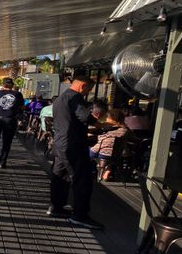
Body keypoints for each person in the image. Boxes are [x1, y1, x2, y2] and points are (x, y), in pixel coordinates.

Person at [47, 75, 105, 230]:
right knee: (82, 179)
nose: (88, 93)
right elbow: (85, 116)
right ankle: (80, 216)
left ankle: (56, 207)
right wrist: (99, 124)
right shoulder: (76, 97)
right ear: (83, 86)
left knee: (60, 176)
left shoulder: (60, 98)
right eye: (89, 89)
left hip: (60, 143)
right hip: (73, 145)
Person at [90, 109, 131, 181]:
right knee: (110, 154)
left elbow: (100, 138)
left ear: (111, 118)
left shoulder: (108, 128)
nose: (106, 118)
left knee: (84, 150)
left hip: (101, 152)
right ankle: (108, 169)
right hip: (115, 154)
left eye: (107, 117)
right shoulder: (125, 130)